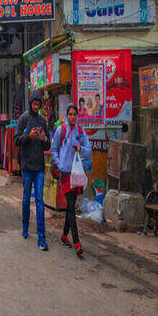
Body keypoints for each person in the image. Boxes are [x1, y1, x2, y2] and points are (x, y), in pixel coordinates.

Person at [51, 104, 92, 256]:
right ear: (67, 115)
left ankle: (64, 235)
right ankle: (77, 242)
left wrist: (81, 149)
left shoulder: (80, 131)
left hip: (76, 174)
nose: (72, 117)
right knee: (71, 206)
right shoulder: (61, 130)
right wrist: (59, 163)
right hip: (65, 174)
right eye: (70, 114)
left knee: (70, 206)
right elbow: (54, 149)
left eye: (75, 114)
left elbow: (89, 150)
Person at [14, 89, 51, 251]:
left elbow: (47, 145)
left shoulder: (42, 121)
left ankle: (41, 236)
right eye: (34, 104)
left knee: (40, 201)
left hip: (39, 167)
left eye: (38, 104)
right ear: (31, 104)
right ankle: (25, 226)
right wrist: (28, 136)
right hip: (27, 166)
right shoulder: (23, 119)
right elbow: (16, 140)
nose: (36, 107)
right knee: (26, 198)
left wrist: (43, 139)